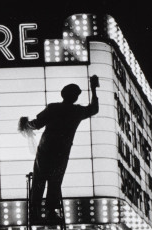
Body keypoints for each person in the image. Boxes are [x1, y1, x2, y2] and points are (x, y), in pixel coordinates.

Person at [19, 75, 100, 221]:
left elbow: (37, 124)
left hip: (46, 148)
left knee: (39, 179)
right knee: (55, 180)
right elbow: (94, 109)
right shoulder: (77, 111)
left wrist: (26, 124)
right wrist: (93, 89)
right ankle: (51, 212)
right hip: (62, 151)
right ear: (75, 97)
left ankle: (34, 211)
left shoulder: (53, 108)